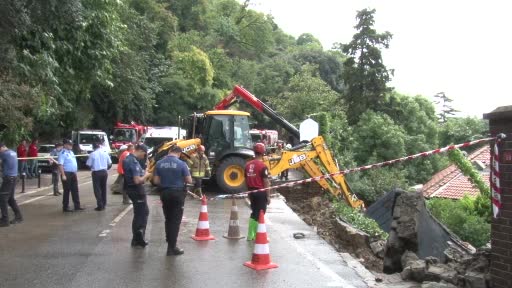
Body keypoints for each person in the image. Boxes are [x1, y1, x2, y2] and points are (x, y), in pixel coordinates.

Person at [153, 144, 192, 256]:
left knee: (168, 218)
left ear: (169, 151)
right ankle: (172, 248)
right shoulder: (182, 164)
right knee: (175, 221)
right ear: (179, 154)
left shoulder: (159, 163)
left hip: (164, 193)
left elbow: (155, 181)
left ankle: (168, 238)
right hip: (177, 194)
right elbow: (189, 180)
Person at [123, 144, 152, 247]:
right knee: (141, 214)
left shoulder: (129, 159)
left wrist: (145, 171)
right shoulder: (133, 161)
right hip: (136, 190)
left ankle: (136, 238)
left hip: (132, 189)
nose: (143, 156)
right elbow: (137, 180)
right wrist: (147, 175)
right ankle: (138, 239)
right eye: (143, 154)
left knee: (141, 212)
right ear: (139, 150)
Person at [244, 142, 271, 241]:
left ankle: (250, 235)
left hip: (251, 192)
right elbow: (266, 182)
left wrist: (248, 193)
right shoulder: (263, 166)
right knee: (260, 213)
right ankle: (257, 235)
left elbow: (246, 180)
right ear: (263, 153)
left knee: (254, 212)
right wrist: (268, 196)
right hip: (260, 192)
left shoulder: (247, 165)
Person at [0, 143, 23, 227]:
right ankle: (19, 216)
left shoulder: (4, 153)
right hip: (14, 177)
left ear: (2, 147)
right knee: (10, 198)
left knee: (2, 198)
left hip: (8, 178)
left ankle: (5, 220)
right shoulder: (13, 152)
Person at [58, 139, 85, 212]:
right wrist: (63, 175)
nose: (71, 146)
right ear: (65, 145)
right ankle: (65, 207)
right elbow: (60, 164)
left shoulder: (71, 152)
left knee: (75, 190)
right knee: (67, 190)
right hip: (66, 173)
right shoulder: (62, 153)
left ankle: (77, 206)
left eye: (71, 144)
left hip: (73, 173)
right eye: (70, 144)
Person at [86, 142, 112, 211]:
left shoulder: (92, 154)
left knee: (97, 189)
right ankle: (104, 203)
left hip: (96, 172)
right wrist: (106, 169)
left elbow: (88, 164)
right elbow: (110, 164)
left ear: (93, 148)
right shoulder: (105, 153)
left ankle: (100, 205)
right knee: (103, 188)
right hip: (104, 172)